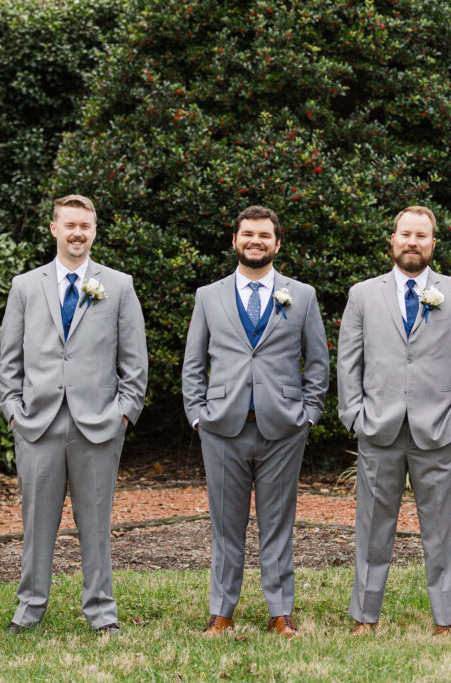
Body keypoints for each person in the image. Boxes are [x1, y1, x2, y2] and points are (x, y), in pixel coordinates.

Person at [0, 194, 148, 635]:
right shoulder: (25, 286)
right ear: (54, 229)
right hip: (37, 425)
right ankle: (29, 610)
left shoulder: (119, 286)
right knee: (35, 526)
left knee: (96, 525)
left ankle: (101, 612)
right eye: (70, 225)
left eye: (85, 225)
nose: (77, 233)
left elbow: (134, 362)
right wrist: (13, 412)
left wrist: (123, 414)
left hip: (99, 425)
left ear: (94, 230)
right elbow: (9, 360)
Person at [181, 205, 329, 637]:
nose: (255, 241)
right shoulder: (208, 296)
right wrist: (197, 417)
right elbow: (194, 363)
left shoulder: (302, 295)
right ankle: (222, 612)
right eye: (248, 234)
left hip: (283, 429)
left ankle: (280, 612)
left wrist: (309, 417)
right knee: (225, 526)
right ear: (234, 240)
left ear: (277, 243)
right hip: (222, 427)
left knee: (278, 523)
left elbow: (317, 362)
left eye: (264, 235)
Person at [336, 205, 451, 636]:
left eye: (421, 236)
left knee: (442, 530)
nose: (412, 242)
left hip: (438, 430)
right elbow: (349, 363)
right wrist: (354, 416)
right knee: (372, 529)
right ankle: (365, 617)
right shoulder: (363, 294)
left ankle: (446, 619)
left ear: (433, 243)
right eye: (406, 235)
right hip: (378, 428)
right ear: (393, 240)